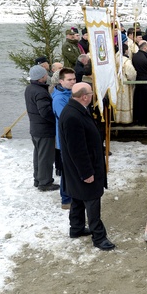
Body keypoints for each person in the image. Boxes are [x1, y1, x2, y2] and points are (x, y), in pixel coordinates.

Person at [58, 82, 115, 251]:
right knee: (91, 201)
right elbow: (77, 149)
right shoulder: (72, 116)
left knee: (77, 197)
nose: (92, 96)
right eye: (91, 93)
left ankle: (76, 228)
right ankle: (99, 236)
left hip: (77, 169)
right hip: (83, 168)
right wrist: (86, 173)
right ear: (84, 96)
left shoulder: (75, 110)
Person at [25, 65, 59, 192]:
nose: (47, 76)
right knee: (46, 157)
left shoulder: (29, 89)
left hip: (35, 128)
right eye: (45, 74)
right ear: (41, 78)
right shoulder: (40, 92)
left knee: (38, 155)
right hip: (44, 129)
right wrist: (55, 120)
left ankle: (38, 179)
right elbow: (45, 112)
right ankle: (45, 182)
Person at [52, 68, 76, 209]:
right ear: (61, 81)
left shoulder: (70, 93)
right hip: (65, 140)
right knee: (67, 172)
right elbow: (66, 119)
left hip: (72, 138)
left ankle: (72, 195)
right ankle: (66, 200)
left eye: (74, 79)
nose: (73, 82)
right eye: (69, 80)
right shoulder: (59, 98)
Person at [132, 40, 147, 125]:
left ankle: (139, 120)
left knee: (139, 102)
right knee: (146, 103)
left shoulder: (135, 56)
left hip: (138, 82)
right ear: (145, 47)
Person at [114, 43, 137, 124]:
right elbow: (132, 74)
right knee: (124, 102)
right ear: (126, 51)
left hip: (115, 84)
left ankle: (116, 118)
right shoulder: (126, 61)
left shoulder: (114, 58)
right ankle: (125, 119)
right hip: (125, 85)